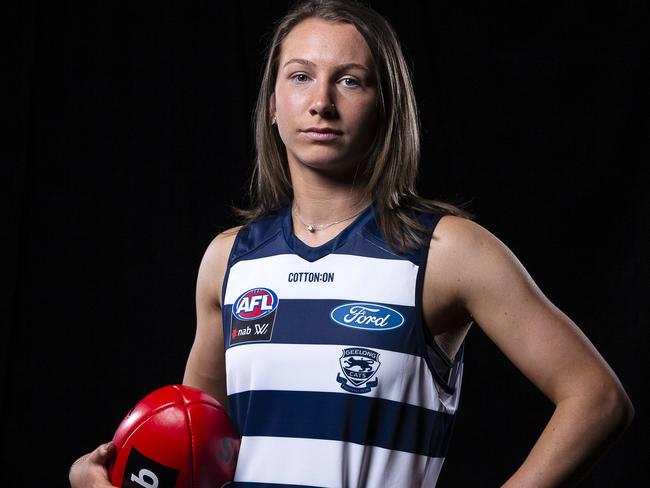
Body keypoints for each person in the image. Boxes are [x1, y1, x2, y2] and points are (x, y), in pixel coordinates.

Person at [69, 1, 634, 486]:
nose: (321, 102)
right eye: (299, 76)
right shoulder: (230, 259)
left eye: (349, 79)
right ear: (271, 105)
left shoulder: (443, 251)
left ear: (384, 104)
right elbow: (194, 448)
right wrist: (104, 475)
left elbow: (597, 399)